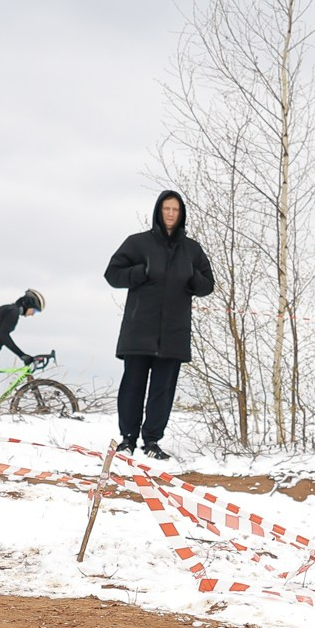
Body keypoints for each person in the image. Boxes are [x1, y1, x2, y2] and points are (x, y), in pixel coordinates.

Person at [104, 189, 215, 461]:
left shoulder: (191, 249)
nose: (170, 214)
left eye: (175, 210)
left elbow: (208, 284)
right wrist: (140, 273)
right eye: (166, 209)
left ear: (181, 214)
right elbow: (113, 274)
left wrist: (192, 278)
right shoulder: (138, 243)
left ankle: (152, 440)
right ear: (158, 211)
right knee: (133, 386)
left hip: (173, 334)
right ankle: (128, 438)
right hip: (139, 330)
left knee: (163, 390)